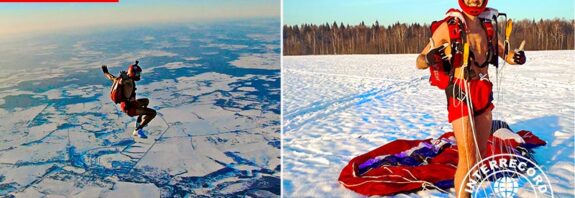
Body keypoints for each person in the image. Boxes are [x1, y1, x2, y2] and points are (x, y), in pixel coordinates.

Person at [415, 0, 526, 197]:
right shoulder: (449, 26)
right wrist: (430, 58)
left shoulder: (487, 25)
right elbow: (420, 61)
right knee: (467, 157)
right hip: (461, 92)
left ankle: (469, 190)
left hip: (483, 91)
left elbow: (504, 54)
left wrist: (515, 57)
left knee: (480, 153)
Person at [102, 60, 157, 138]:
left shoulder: (120, 79)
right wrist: (124, 79)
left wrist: (105, 71)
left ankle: (139, 121)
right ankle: (138, 130)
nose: (139, 75)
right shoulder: (128, 81)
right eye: (137, 73)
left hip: (130, 104)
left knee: (145, 101)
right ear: (132, 73)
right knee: (153, 113)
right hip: (130, 108)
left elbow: (112, 77)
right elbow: (125, 82)